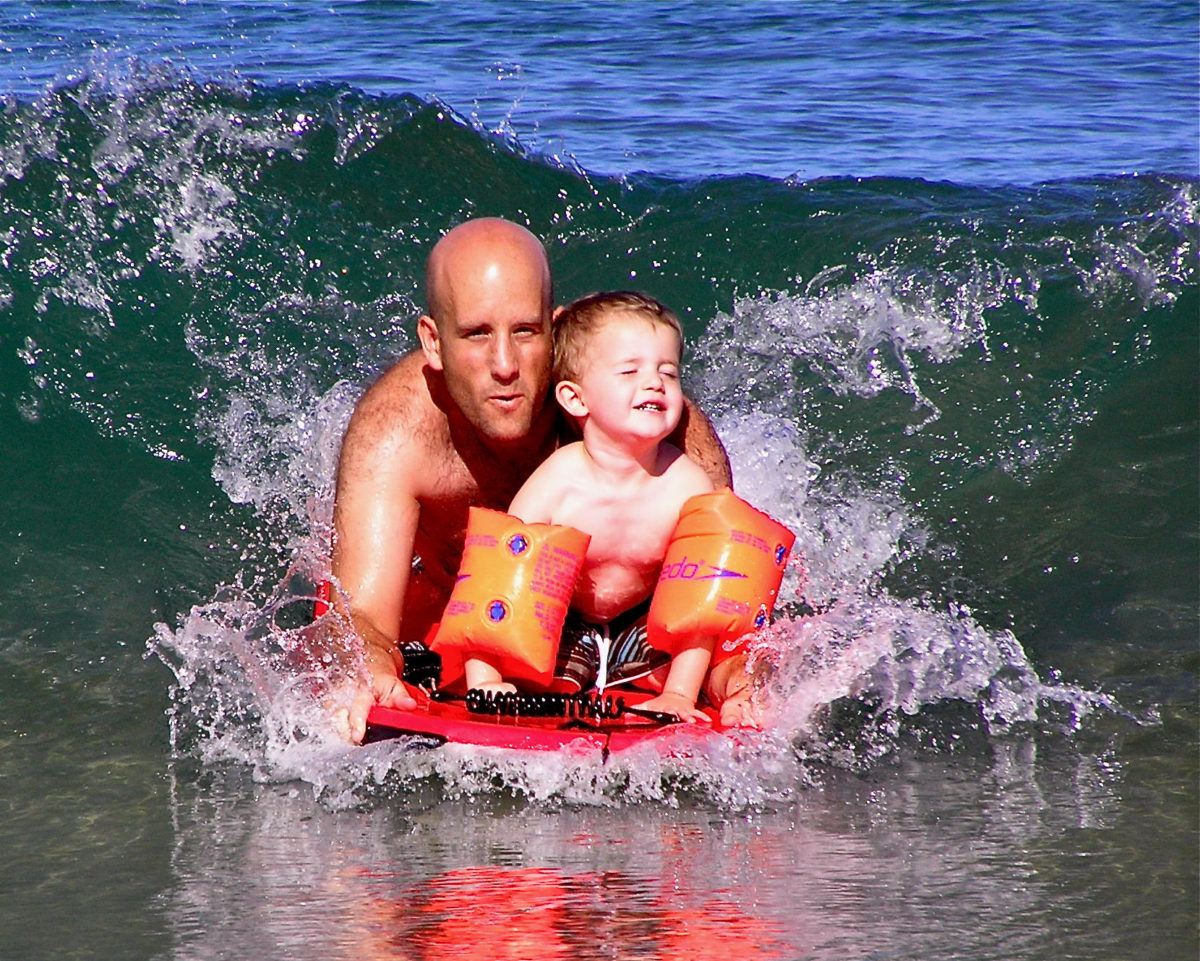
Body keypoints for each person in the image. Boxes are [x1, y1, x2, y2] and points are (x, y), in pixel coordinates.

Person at [325, 218, 734, 742]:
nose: (504, 365)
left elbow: (717, 595)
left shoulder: (662, 432)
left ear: (555, 328)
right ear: (433, 342)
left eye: (526, 331)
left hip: (621, 621)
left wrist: (735, 681)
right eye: (476, 334)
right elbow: (363, 615)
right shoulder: (397, 431)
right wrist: (372, 674)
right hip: (462, 609)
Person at [460, 291, 716, 722]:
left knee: (720, 653)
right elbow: (495, 581)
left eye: (668, 373)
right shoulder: (559, 481)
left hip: (644, 627)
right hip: (565, 625)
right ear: (576, 399)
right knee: (536, 675)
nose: (654, 382)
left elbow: (702, 603)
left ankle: (681, 686)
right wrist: (484, 681)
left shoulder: (687, 484)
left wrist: (680, 695)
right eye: (630, 371)